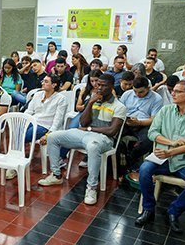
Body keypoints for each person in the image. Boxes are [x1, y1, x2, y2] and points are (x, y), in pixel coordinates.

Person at [135, 80, 185, 233]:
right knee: (144, 170)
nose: (172, 93)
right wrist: (172, 143)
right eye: (173, 90)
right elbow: (152, 133)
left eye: (177, 91)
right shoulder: (166, 110)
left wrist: (171, 151)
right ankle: (149, 209)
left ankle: (173, 211)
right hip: (162, 158)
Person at [40, 74, 126, 205]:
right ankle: (56, 175)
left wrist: (90, 129)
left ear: (111, 87)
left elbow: (112, 131)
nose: (99, 88)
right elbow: (83, 122)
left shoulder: (119, 106)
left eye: (104, 85)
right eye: (98, 84)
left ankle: (91, 187)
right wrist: (90, 102)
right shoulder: (93, 100)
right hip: (84, 134)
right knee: (53, 137)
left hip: (104, 139)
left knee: (93, 147)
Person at [6, 74, 69, 179]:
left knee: (24, 136)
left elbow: (58, 120)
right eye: (43, 81)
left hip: (46, 125)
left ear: (54, 85)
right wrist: (21, 122)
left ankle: (16, 164)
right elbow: (29, 111)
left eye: (46, 81)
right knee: (16, 132)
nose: (42, 83)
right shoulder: (38, 95)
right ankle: (15, 160)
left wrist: (49, 134)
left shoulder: (61, 99)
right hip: (33, 121)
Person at [119, 77, 164, 181]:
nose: (137, 94)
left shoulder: (156, 98)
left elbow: (154, 120)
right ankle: (119, 164)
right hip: (127, 121)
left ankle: (131, 160)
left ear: (148, 88)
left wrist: (138, 122)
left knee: (148, 140)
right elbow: (119, 110)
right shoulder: (127, 94)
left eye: (141, 92)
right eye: (135, 91)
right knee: (113, 136)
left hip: (144, 123)